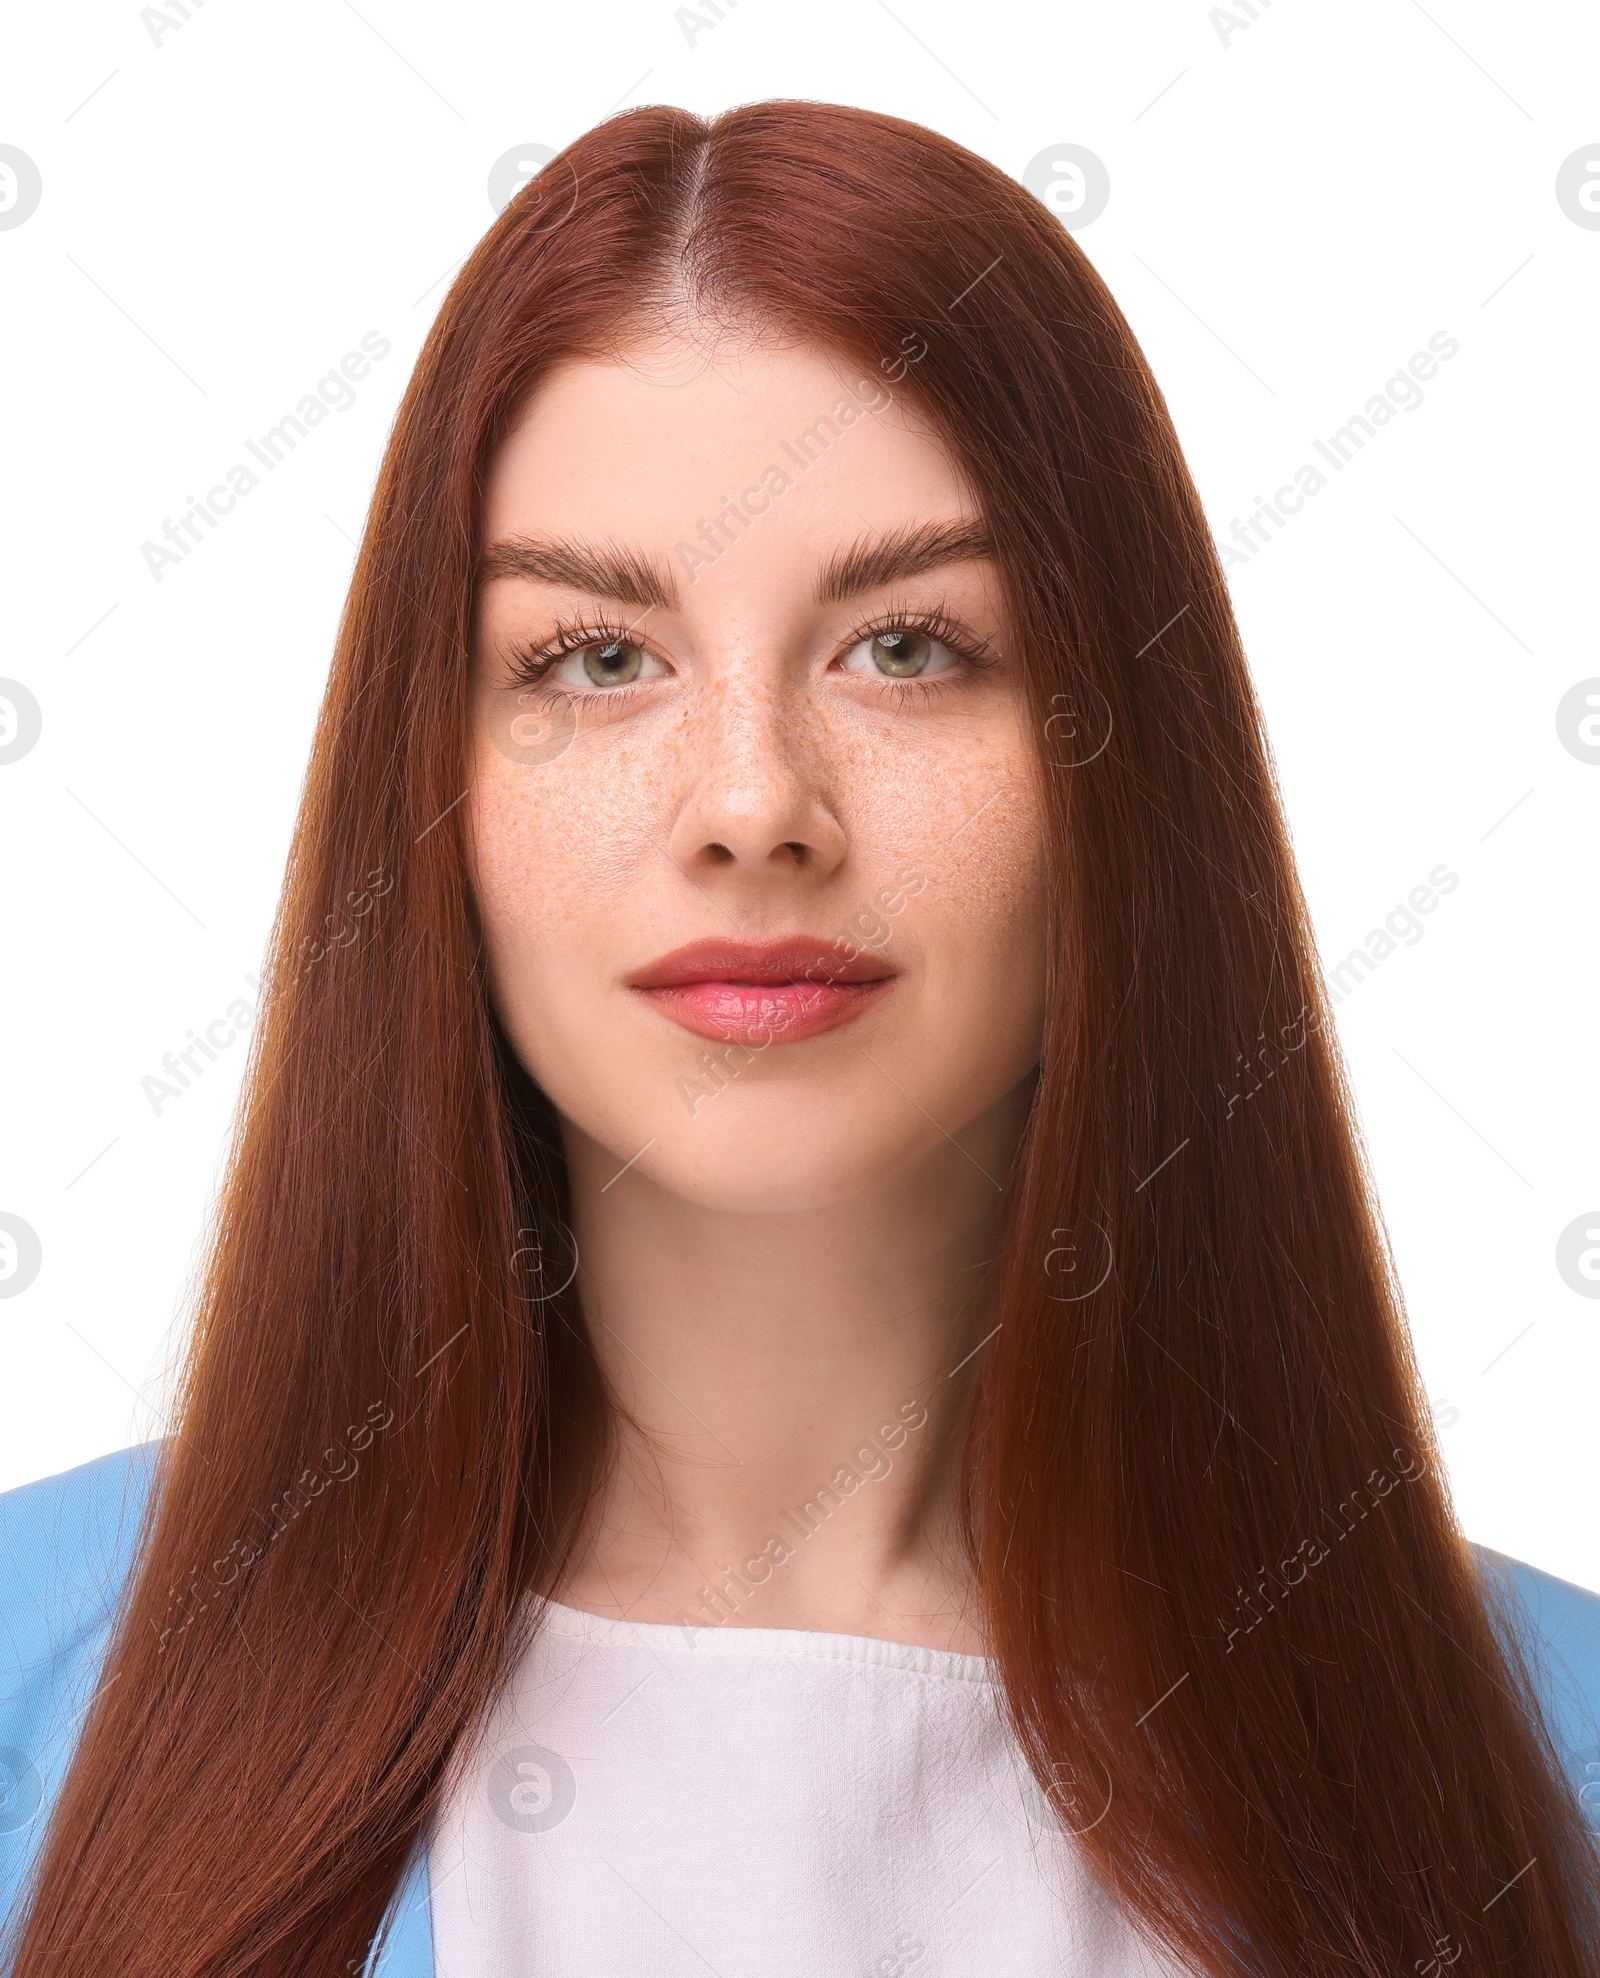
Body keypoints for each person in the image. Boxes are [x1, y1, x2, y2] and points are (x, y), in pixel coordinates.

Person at [2, 100, 1597, 1978]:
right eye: (596, 659)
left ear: (1120, 771)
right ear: (430, 790)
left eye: (909, 645)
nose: (754, 804)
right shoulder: (42, 1674)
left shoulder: (1539, 1761)